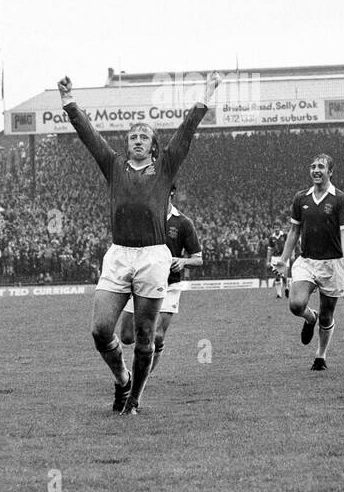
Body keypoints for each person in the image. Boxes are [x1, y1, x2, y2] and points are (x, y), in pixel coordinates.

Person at [59, 71, 222, 415]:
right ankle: (122, 378)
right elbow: (89, 136)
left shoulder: (165, 167)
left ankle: (134, 400)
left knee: (145, 337)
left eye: (143, 136)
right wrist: (68, 101)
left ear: (153, 145)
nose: (137, 139)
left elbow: (187, 131)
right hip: (119, 255)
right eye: (132, 136)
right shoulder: (114, 165)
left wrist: (207, 93)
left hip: (152, 257)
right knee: (101, 330)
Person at [277, 153, 344, 371]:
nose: (316, 170)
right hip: (307, 261)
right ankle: (310, 318)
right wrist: (284, 260)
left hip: (333, 264)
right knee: (295, 305)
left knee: (328, 314)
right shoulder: (301, 198)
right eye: (313, 166)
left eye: (321, 166)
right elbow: (294, 230)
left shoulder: (341, 199)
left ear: (330, 171)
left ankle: (320, 356)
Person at [118, 186, 202, 373]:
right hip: (142, 282)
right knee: (126, 336)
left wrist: (183, 261)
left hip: (169, 285)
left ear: (170, 193)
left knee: (156, 335)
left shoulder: (183, 223)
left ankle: (139, 379)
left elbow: (198, 258)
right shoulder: (143, 219)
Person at [265, 225, 290, 299]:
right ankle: (279, 294)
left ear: (280, 228)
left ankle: (287, 288)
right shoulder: (271, 238)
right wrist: (268, 261)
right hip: (275, 258)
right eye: (275, 228)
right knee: (277, 277)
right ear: (273, 229)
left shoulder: (284, 235)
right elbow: (269, 250)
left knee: (284, 276)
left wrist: (291, 254)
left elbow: (290, 245)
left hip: (283, 257)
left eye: (277, 227)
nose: (276, 229)